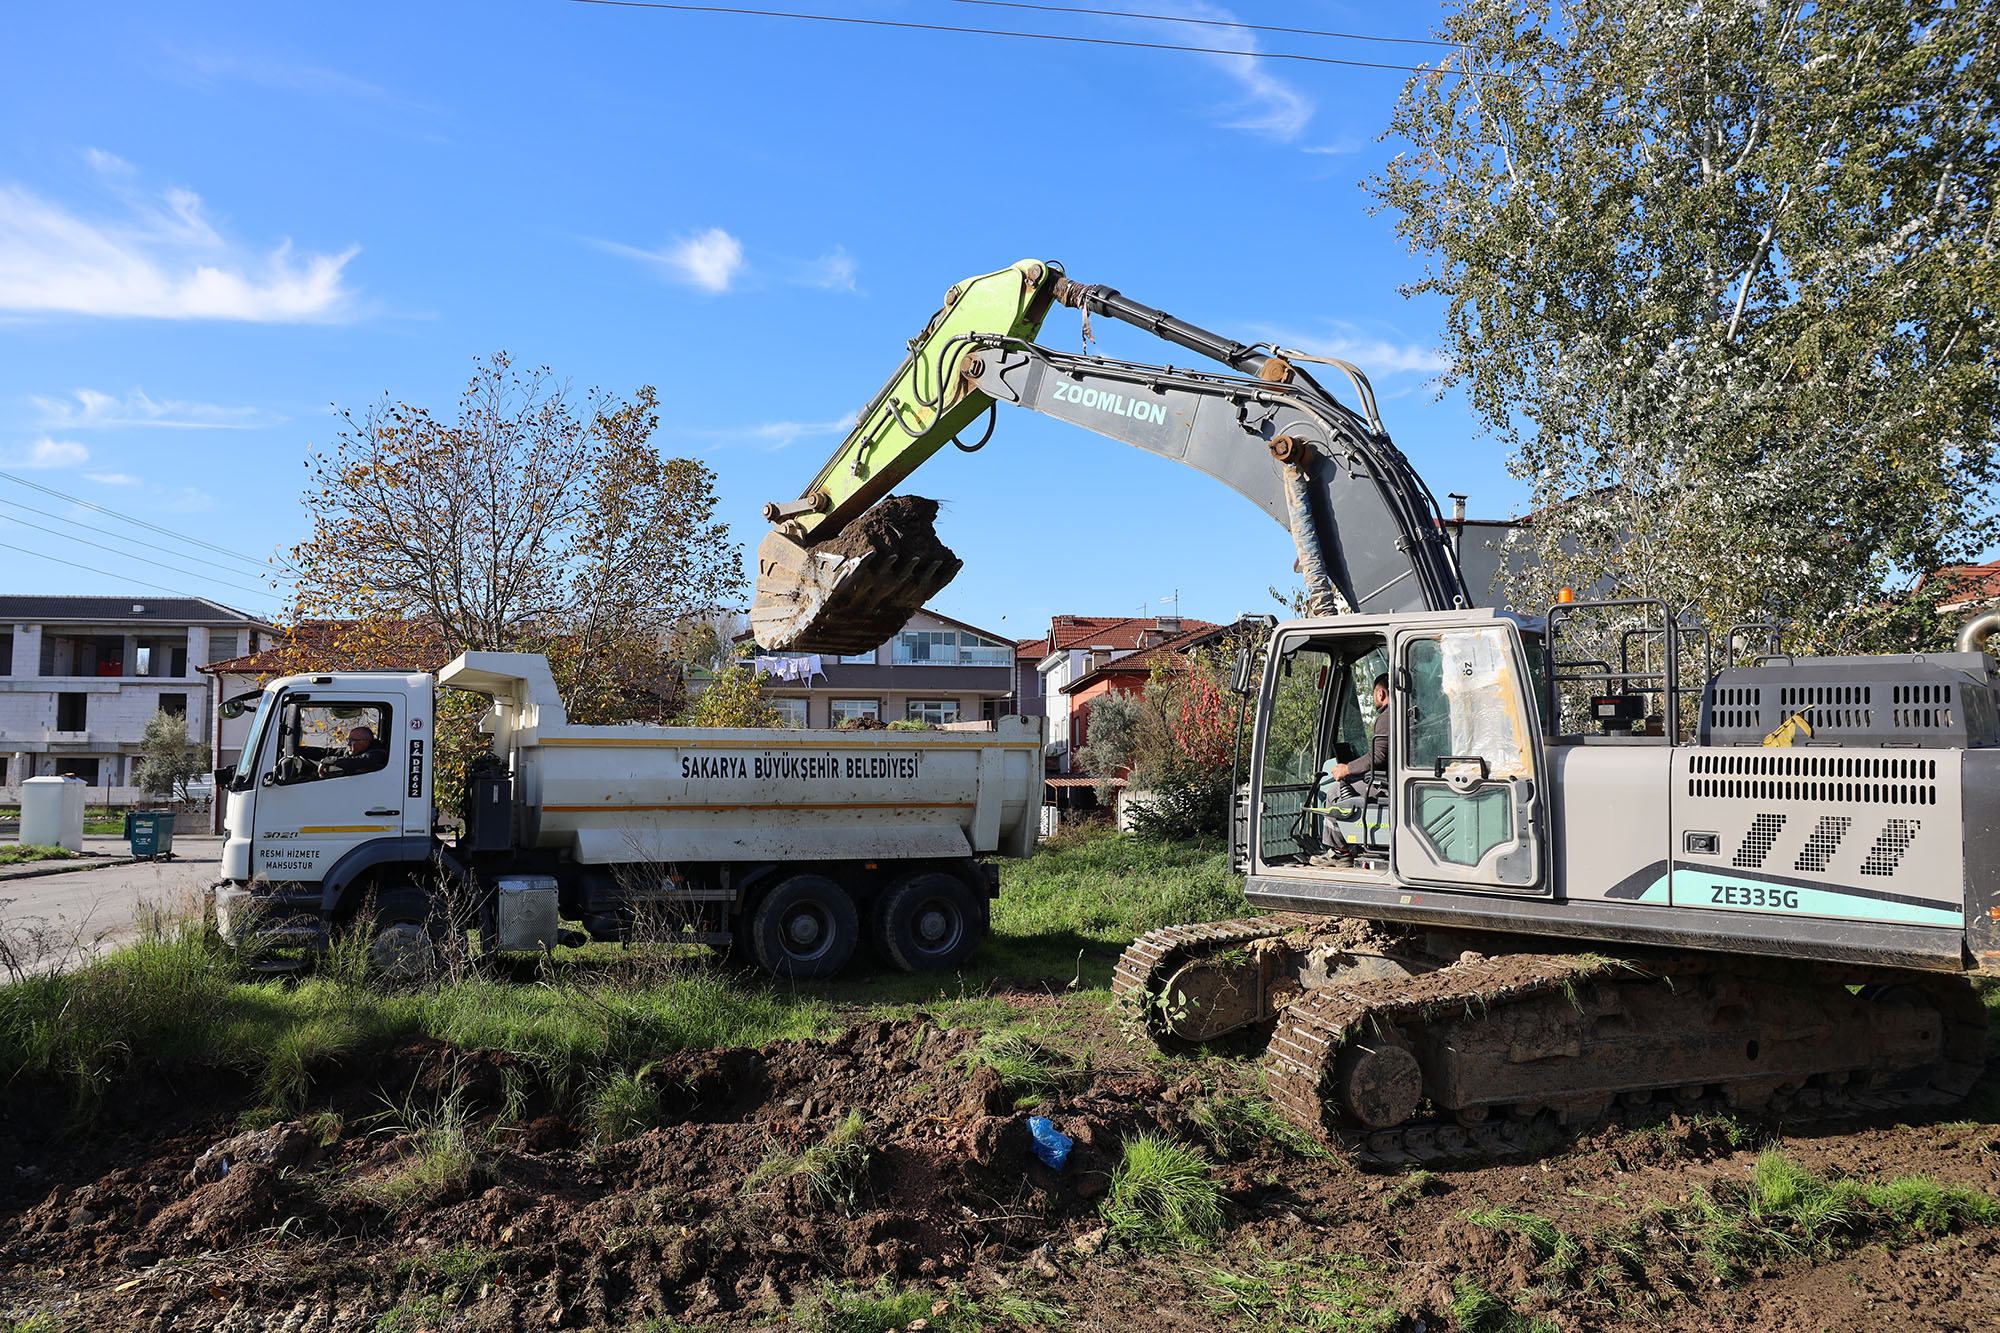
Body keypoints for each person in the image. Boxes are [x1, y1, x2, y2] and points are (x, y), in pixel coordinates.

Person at [317, 725, 389, 778]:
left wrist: (327, 760)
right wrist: (305, 750)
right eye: (348, 740)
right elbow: (326, 752)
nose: (348, 744)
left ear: (364, 742)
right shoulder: (355, 750)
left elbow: (354, 762)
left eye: (351, 741)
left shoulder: (377, 755)